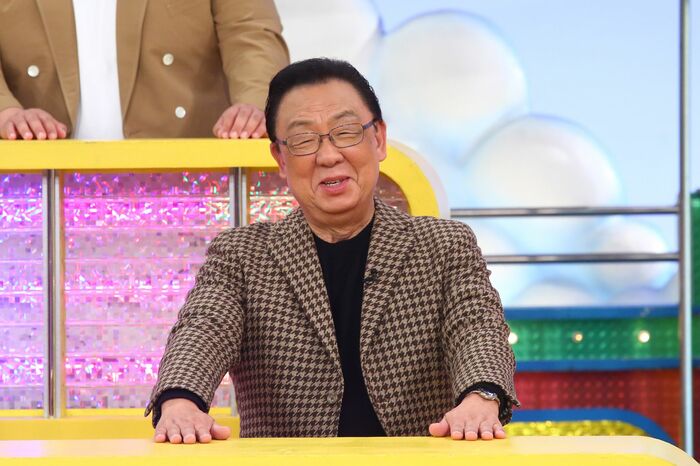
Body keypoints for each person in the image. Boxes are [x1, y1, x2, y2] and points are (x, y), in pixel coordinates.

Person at [146, 58, 519, 442]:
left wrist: (481, 396)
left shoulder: (444, 246)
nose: (328, 156)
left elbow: (476, 328)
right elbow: (204, 328)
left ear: (379, 139)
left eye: (345, 132)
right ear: (280, 159)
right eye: (304, 139)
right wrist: (180, 401)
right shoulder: (242, 255)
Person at [0, 0, 288, 140]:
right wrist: (6, 112)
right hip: (29, 190)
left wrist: (255, 106)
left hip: (192, 183)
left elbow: (250, 33)